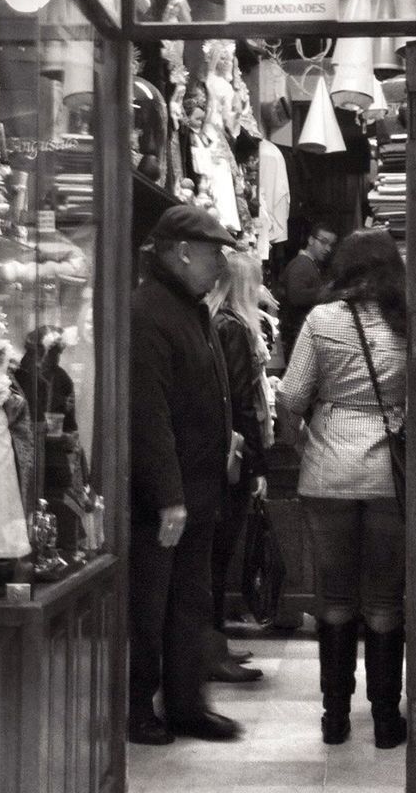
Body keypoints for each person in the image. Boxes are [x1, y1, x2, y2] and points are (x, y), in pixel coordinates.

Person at [276, 229, 407, 749]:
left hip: (328, 473)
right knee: (383, 599)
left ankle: (334, 718)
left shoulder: (322, 320)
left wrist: (307, 437)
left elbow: (289, 396)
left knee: (333, 599)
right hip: (389, 481)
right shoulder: (407, 324)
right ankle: (385, 720)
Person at [129, 204, 242, 745]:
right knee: (150, 608)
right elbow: (148, 415)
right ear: (181, 252)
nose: (221, 262)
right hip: (166, 499)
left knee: (189, 605)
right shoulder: (147, 311)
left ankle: (186, 704)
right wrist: (168, 496)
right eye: (214, 251)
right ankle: (138, 709)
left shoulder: (189, 307)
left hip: (199, 489)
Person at [206, 251, 273, 682]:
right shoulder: (233, 328)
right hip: (233, 456)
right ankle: (211, 651)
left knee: (215, 557)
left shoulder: (219, 323)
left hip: (223, 454)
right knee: (216, 556)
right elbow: (238, 400)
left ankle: (214, 646)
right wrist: (258, 464)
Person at [278, 222, 337, 359]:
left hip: (300, 334)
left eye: (331, 245)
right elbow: (296, 296)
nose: (327, 248)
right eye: (323, 242)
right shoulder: (302, 264)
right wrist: (329, 291)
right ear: (311, 240)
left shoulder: (309, 264)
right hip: (297, 335)